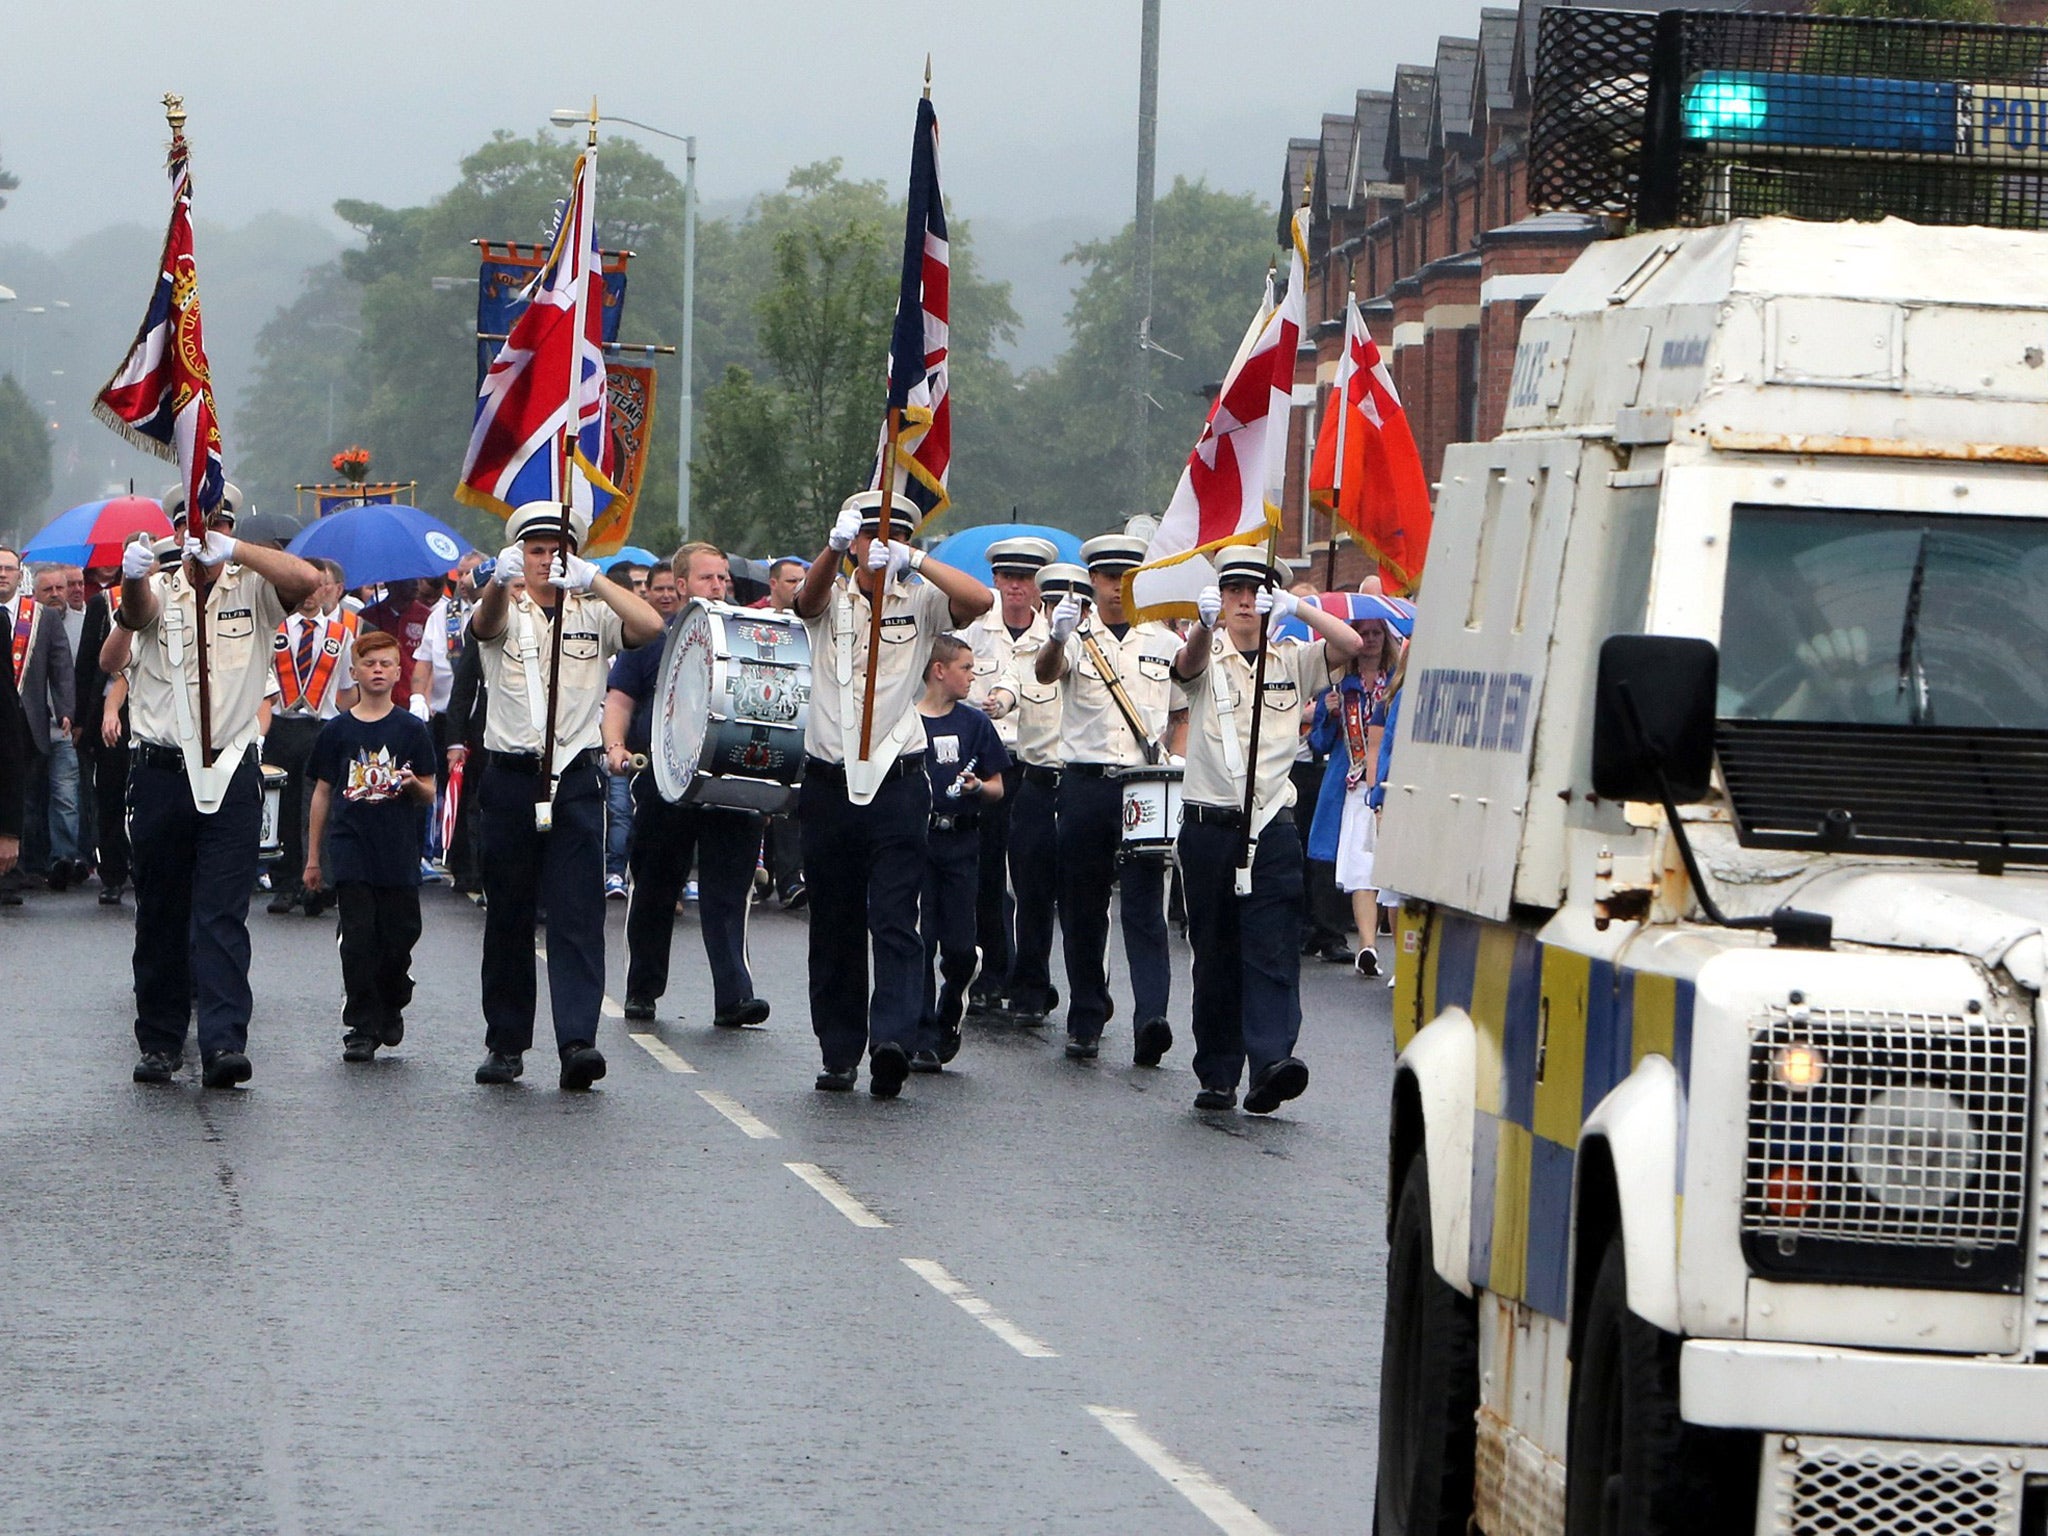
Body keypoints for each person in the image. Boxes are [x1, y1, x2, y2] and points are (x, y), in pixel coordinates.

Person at [118, 486, 323, 1089]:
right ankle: (159, 1042)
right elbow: (134, 615)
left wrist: (237, 549)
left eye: (218, 522)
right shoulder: (159, 584)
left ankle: (224, 1041)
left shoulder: (253, 586)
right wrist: (136, 575)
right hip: (161, 770)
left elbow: (307, 580)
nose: (205, 531)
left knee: (223, 913)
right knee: (161, 910)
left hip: (231, 771)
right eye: (195, 523)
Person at [794, 490, 993, 1098]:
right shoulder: (834, 593)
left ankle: (892, 1040)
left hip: (898, 781)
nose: (874, 548)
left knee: (896, 917)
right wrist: (832, 552)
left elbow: (979, 599)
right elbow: (804, 601)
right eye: (866, 537)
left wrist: (916, 560)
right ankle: (838, 1050)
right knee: (834, 920)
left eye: (889, 536)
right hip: (829, 781)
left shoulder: (922, 601)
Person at [468, 502, 662, 1090]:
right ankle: (506, 1043)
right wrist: (501, 583)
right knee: (509, 913)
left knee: (578, 913)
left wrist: (595, 578)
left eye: (558, 550)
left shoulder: (592, 608)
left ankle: (577, 1039)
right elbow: (484, 628)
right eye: (536, 550)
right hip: (510, 776)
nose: (547, 560)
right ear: (518, 556)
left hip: (575, 778)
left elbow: (650, 627)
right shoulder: (503, 603)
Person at [1171, 548, 1363, 1114]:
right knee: (1216, 951)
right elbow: (1187, 669)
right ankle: (1218, 1071)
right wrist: (1205, 627)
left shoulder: (1292, 659)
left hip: (1272, 824)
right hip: (1211, 825)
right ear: (1221, 599)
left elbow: (1351, 647)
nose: (1246, 602)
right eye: (1234, 592)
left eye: (1256, 592)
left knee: (1274, 947)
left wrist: (1301, 609)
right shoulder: (1208, 649)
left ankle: (1272, 1061)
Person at [604, 545, 772, 1029]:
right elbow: (619, 699)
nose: (719, 585)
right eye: (706, 578)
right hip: (664, 778)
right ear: (679, 586)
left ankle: (735, 996)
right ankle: (642, 989)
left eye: (723, 577)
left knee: (729, 892)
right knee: (655, 886)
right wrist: (615, 746)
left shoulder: (748, 636)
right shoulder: (651, 637)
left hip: (730, 778)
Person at [1033, 534, 1182, 1066]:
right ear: (1092, 581)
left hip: (1144, 780)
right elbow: (1047, 673)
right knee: (1083, 905)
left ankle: (1152, 1019)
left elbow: (1182, 705)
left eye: (1125, 578)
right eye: (1106, 578)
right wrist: (1055, 638)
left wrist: (1175, 763)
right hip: (1087, 778)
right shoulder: (1077, 635)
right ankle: (1087, 1014)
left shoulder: (1163, 641)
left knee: (1146, 904)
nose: (1116, 588)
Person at [302, 628, 437, 1062]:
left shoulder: (411, 730)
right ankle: (361, 1025)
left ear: (398, 672)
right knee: (358, 937)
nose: (377, 671)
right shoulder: (337, 731)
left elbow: (431, 789)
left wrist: (415, 784)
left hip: (397, 848)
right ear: (355, 671)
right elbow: (323, 792)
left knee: (399, 934)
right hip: (351, 846)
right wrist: (312, 858)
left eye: (386, 664)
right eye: (369, 664)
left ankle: (393, 997)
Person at [956, 536, 1053, 1018]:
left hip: (1034, 765)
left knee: (1033, 881)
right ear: (995, 580)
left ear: (1038, 585)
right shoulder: (974, 634)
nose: (1016, 587)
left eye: (1026, 579)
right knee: (986, 877)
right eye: (1008, 578)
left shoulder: (1056, 637)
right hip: (986, 763)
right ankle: (990, 973)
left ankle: (1031, 981)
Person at [915, 634, 1009, 1072]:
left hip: (962, 843)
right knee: (918, 938)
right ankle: (921, 1033)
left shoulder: (975, 725)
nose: (973, 676)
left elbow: (997, 785)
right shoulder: (908, 720)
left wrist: (978, 787)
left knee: (958, 947)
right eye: (966, 668)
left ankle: (952, 1005)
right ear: (940, 670)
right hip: (919, 842)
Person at [263, 558, 359, 915]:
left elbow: (349, 690)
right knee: (284, 806)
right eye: (303, 587)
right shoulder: (276, 628)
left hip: (323, 728)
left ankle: (318, 881)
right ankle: (285, 882)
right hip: (283, 726)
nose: (310, 594)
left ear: (329, 589)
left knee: (319, 806)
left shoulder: (341, 633)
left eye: (319, 586)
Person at [1307, 616, 1399, 977]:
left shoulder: (1397, 683)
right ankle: (1367, 945)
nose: (1371, 640)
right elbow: (1317, 743)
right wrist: (1328, 715)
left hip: (1388, 785)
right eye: (1364, 634)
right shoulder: (1337, 684)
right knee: (1360, 868)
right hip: (1350, 785)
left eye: (1378, 633)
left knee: (1389, 867)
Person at [1002, 561, 1071, 1027]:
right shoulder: (1034, 651)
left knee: (1087, 901)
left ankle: (1092, 992)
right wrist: (1000, 701)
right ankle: (1029, 985)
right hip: (1038, 781)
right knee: (1030, 894)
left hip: (1084, 785)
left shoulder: (1106, 653)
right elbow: (1009, 687)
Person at [0, 550, 76, 896]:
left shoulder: (41, 617)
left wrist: (66, 709)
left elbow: (60, 667)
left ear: (20, 576)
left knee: (24, 797)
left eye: (8, 569)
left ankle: (18, 870)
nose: (3, 574)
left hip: (26, 719)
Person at [75, 563, 130, 904]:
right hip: (113, 711)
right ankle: (112, 872)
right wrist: (81, 719)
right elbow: (86, 662)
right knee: (111, 791)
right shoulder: (105, 602)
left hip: (158, 706)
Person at [756, 556, 809, 904]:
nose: (799, 587)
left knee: (790, 801)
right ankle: (758, 875)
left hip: (797, 720)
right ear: (773, 584)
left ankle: (791, 880)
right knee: (758, 803)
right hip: (759, 717)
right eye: (791, 581)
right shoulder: (752, 617)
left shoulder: (811, 618)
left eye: (802, 580)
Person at [359, 578, 433, 711]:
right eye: (407, 579)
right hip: (377, 702)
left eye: (416, 578)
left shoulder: (427, 617)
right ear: (389, 583)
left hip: (414, 702)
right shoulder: (367, 618)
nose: (415, 584)